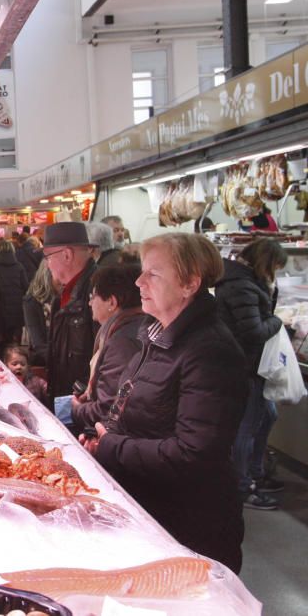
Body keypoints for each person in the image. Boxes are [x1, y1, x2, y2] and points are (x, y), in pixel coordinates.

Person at [81, 233, 246, 572]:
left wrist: (112, 446)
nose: (139, 281)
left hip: (188, 522)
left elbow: (194, 453)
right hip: (148, 504)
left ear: (189, 284)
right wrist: (97, 436)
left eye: (153, 274)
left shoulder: (209, 351)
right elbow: (130, 407)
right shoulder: (155, 334)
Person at [215, 239, 289, 510]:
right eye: (276, 268)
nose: (275, 274)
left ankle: (255, 475)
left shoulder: (244, 281)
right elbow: (253, 332)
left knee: (267, 416)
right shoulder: (241, 286)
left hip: (250, 366)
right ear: (266, 263)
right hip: (244, 367)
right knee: (247, 427)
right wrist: (278, 320)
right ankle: (243, 487)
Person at [71, 263, 146, 429]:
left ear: (111, 302)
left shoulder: (122, 342)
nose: (90, 303)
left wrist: (76, 410)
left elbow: (108, 408)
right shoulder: (133, 327)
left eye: (93, 296)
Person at [42, 222, 97, 411]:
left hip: (83, 405)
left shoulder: (98, 292)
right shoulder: (66, 294)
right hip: (68, 401)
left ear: (66, 255)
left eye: (48, 257)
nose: (47, 264)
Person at [0, 239, 29, 346]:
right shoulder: (19, 267)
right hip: (17, 310)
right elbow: (26, 288)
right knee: (15, 342)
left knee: (1, 341)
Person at [23, 260, 58, 367]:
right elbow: (38, 342)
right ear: (47, 276)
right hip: (45, 363)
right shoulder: (32, 301)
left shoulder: (67, 297)